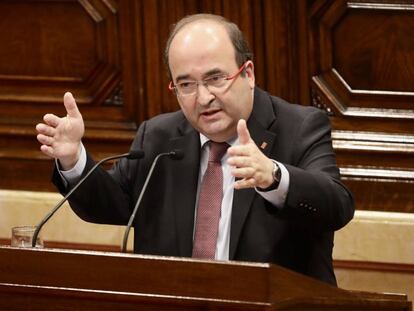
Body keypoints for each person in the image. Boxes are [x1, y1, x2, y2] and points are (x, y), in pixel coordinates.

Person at [35, 13, 354, 285]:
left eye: (216, 78)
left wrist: (273, 176)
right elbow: (111, 206)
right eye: (186, 84)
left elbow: (337, 205)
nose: (203, 98)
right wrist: (73, 157)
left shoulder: (299, 128)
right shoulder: (158, 136)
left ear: (248, 74)